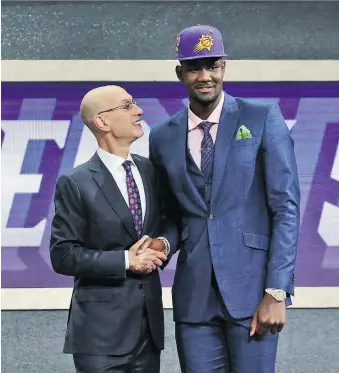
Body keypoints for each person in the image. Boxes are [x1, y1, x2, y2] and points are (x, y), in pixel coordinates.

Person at [149, 25, 301, 373]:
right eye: (194, 68)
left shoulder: (261, 117)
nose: (205, 76)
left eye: (213, 65)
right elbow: (171, 214)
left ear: (224, 69)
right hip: (194, 299)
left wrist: (277, 291)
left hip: (253, 294)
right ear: (180, 73)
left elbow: (286, 208)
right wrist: (162, 242)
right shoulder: (162, 137)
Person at [50, 85, 178, 373]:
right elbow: (63, 254)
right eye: (127, 105)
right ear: (102, 121)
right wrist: (126, 260)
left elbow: (171, 221)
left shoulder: (151, 171)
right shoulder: (75, 183)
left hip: (148, 333)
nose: (139, 111)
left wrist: (163, 243)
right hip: (99, 338)